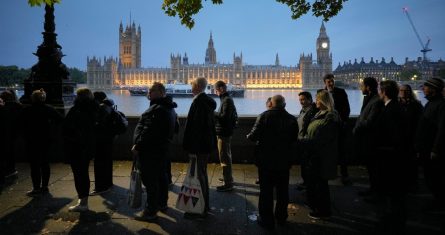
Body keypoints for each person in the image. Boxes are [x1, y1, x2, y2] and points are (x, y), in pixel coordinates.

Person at [247, 95, 298, 229]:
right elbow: (294, 140)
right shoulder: (292, 119)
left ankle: (267, 220)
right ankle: (281, 217)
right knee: (282, 191)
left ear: (272, 103)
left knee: (266, 192)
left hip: (266, 160)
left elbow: (253, 136)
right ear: (284, 104)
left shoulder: (263, 116)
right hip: (284, 160)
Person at [132, 82, 178, 221]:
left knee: (150, 181)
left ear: (159, 92)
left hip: (151, 151)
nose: (148, 93)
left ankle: (151, 211)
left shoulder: (157, 109)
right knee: (161, 177)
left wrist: (138, 145)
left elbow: (148, 131)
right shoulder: (170, 108)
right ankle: (162, 203)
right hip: (162, 149)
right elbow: (176, 128)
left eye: (151, 91)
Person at [300, 90, 340, 219]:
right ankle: (316, 205)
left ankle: (323, 211)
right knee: (315, 182)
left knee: (321, 184)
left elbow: (322, 139)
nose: (315, 102)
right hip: (313, 153)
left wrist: (304, 142)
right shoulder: (319, 113)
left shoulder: (331, 116)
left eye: (317, 100)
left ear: (323, 101)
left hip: (321, 155)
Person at [374, 80, 407, 233]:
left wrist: (385, 147)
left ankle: (394, 222)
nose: (378, 93)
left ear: (384, 92)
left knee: (392, 188)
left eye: (379, 90)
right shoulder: (394, 106)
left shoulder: (392, 109)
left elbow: (394, 134)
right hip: (391, 153)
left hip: (390, 154)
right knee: (392, 188)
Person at [182, 77, 217, 219]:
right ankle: (204, 205)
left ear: (197, 87)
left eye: (192, 86)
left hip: (199, 147)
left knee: (199, 176)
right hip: (205, 145)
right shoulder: (205, 101)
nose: (191, 88)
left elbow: (196, 128)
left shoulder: (199, 103)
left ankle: (201, 209)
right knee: (202, 174)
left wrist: (192, 148)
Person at [21, 89, 63, 196]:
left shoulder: (27, 110)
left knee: (34, 165)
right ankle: (45, 186)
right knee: (45, 163)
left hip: (32, 139)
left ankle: (36, 188)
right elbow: (60, 120)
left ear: (33, 98)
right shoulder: (49, 109)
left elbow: (21, 124)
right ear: (43, 98)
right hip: (46, 139)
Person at [63, 88, 98, 212]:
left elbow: (67, 127)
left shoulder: (77, 110)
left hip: (77, 147)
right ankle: (83, 200)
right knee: (84, 174)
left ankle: (83, 203)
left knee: (79, 175)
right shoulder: (94, 108)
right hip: (88, 147)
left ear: (79, 97)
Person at [415, 77, 445, 209]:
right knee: (429, 176)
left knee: (435, 177)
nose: (423, 88)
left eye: (425, 87)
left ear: (432, 89)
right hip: (425, 147)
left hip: (431, 148)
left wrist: (436, 149)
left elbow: (442, 129)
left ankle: (439, 203)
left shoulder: (441, 105)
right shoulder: (430, 103)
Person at [353, 77, 383, 199]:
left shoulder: (376, 101)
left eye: (362, 86)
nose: (360, 88)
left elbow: (370, 121)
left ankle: (377, 194)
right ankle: (373, 189)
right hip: (367, 140)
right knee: (371, 168)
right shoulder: (370, 99)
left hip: (372, 140)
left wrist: (358, 125)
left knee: (375, 169)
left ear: (368, 87)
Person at [321, 74, 351, 185]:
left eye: (332, 81)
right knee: (327, 152)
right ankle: (329, 173)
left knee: (342, 151)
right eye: (329, 82)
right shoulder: (321, 93)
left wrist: (343, 121)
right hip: (326, 127)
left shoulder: (341, 92)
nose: (331, 83)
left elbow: (347, 109)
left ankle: (345, 175)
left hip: (339, 126)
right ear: (325, 82)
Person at [398, 84, 423, 192]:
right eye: (401, 90)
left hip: (411, 137)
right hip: (400, 138)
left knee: (412, 163)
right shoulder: (397, 104)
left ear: (410, 92)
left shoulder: (416, 105)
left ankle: (413, 184)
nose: (403, 92)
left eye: (406, 90)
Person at [90, 91, 116, 195]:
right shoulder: (109, 106)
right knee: (107, 162)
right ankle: (108, 183)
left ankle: (101, 187)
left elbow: (98, 125)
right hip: (108, 140)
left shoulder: (101, 109)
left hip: (101, 141)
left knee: (100, 164)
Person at [214, 80, 238, 192]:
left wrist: (212, 112)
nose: (215, 92)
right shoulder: (226, 99)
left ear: (221, 89)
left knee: (224, 158)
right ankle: (227, 177)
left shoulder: (226, 100)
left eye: (216, 90)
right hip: (225, 132)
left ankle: (228, 183)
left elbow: (224, 117)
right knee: (226, 156)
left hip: (224, 133)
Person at [296, 91, 319, 191]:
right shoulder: (303, 110)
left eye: (303, 99)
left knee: (307, 164)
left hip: (307, 141)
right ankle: (306, 182)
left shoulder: (312, 111)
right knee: (303, 163)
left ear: (310, 100)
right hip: (301, 141)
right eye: (300, 100)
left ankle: (309, 185)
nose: (301, 102)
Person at [0, 90, 23, 179]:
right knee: (11, 151)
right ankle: (11, 168)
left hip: (5, 133)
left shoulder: (3, 108)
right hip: (14, 132)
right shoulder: (18, 106)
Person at [254, 97, 272, 185]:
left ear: (269, 104)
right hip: (280, 146)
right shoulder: (289, 117)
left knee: (262, 164)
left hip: (264, 145)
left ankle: (262, 179)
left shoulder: (263, 116)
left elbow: (255, 132)